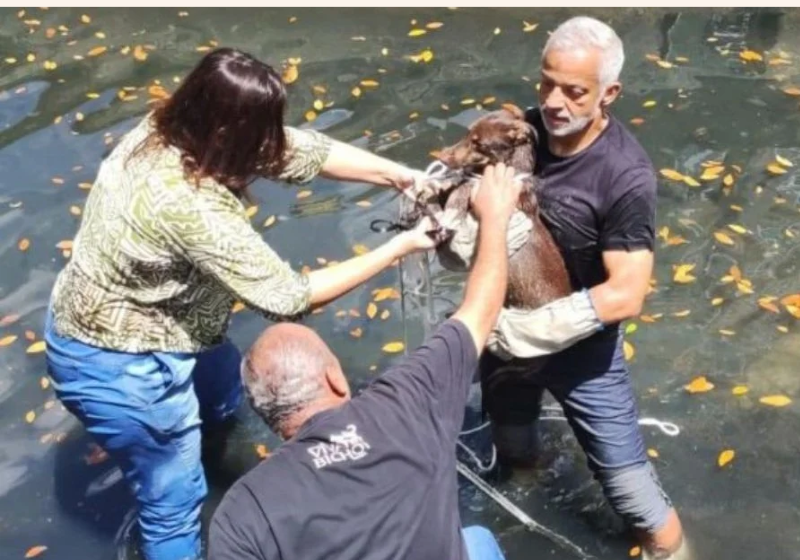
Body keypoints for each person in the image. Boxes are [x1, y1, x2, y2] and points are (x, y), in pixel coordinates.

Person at [43, 48, 435, 560]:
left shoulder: (167, 128)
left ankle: (208, 448)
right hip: (119, 362)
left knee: (225, 391)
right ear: (228, 134)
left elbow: (298, 151)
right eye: (262, 132)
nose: (272, 144)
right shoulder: (190, 205)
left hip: (171, 323)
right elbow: (287, 296)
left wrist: (400, 175)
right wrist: (398, 247)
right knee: (173, 499)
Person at [207, 163, 523, 560]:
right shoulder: (407, 402)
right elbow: (480, 309)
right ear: (335, 378)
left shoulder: (242, 513)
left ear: (266, 412)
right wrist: (495, 216)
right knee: (476, 540)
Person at [480, 17, 688, 560]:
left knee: (635, 498)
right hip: (506, 336)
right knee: (510, 441)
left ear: (609, 93)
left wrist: (536, 330)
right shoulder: (521, 132)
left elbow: (627, 293)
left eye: (574, 92)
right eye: (546, 83)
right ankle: (523, 495)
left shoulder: (624, 175)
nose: (553, 102)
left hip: (582, 348)